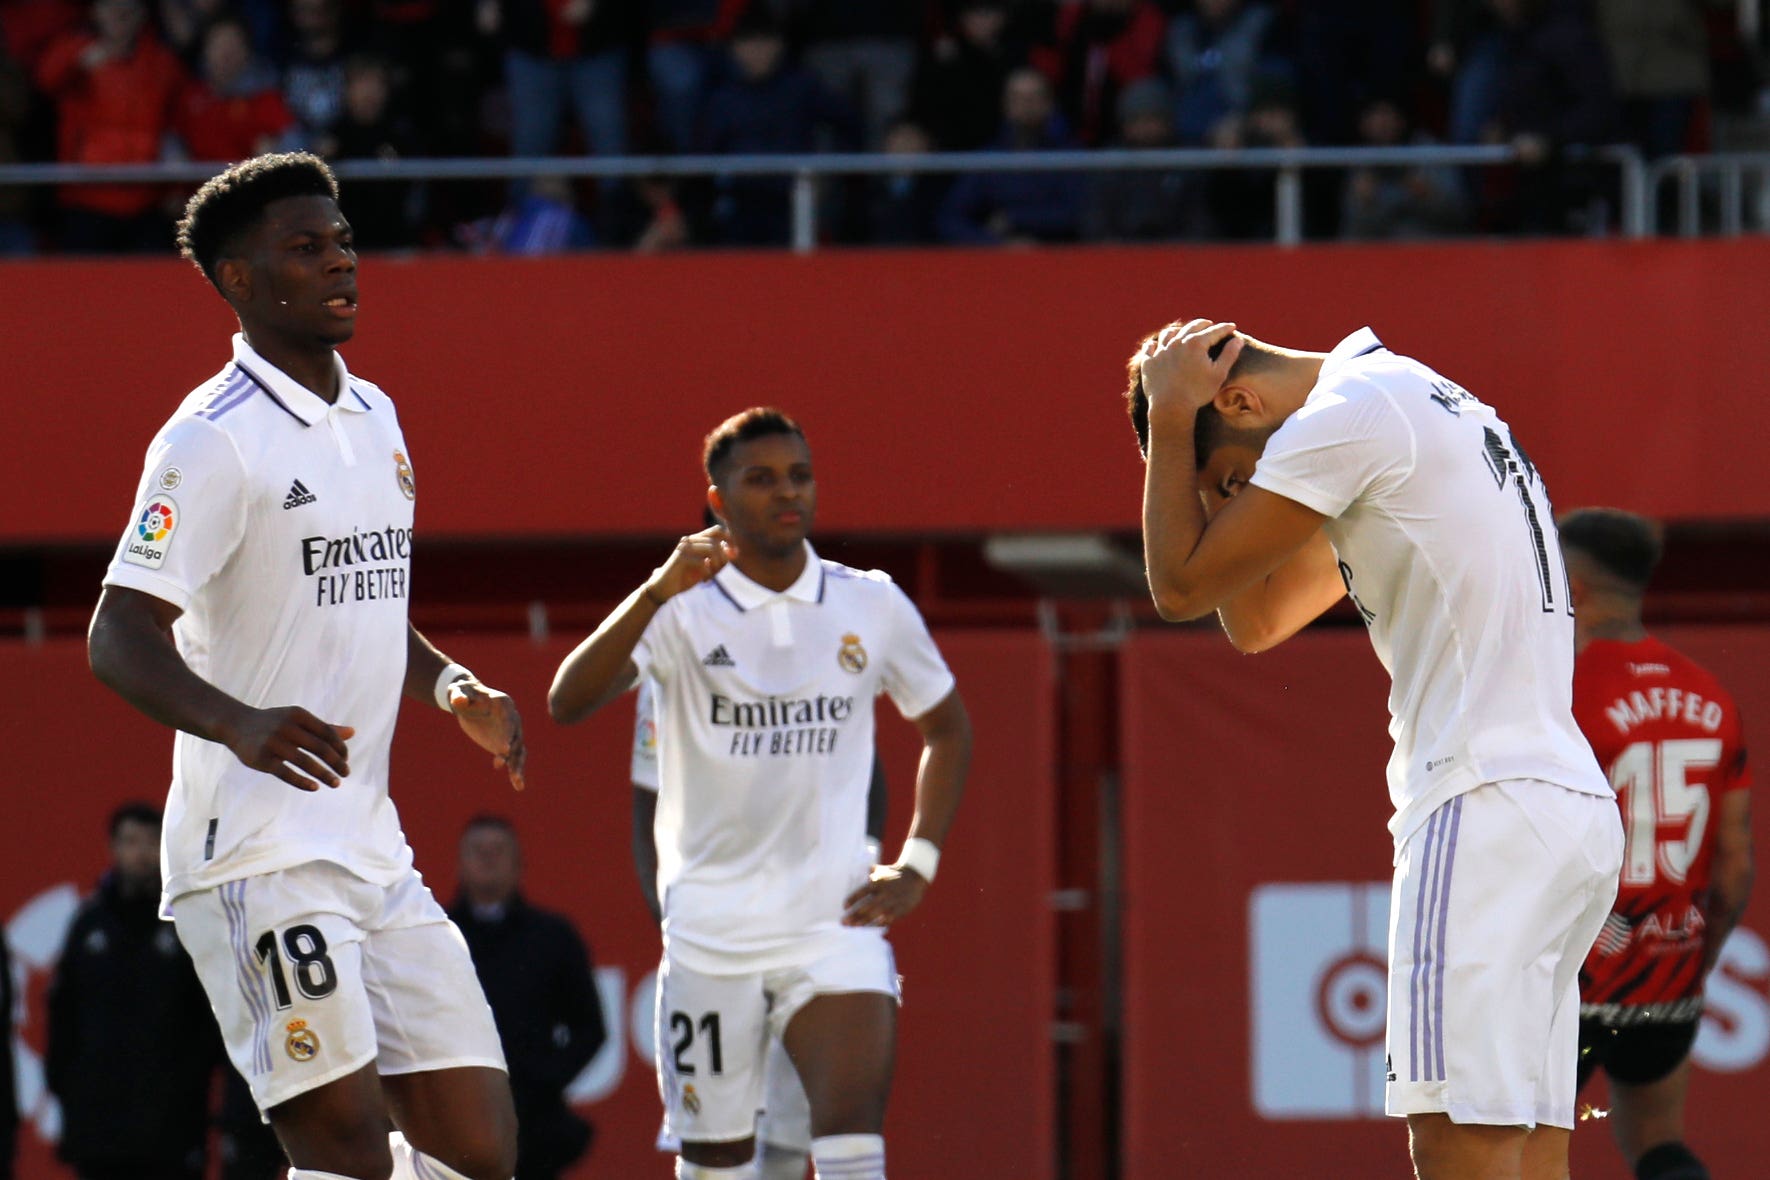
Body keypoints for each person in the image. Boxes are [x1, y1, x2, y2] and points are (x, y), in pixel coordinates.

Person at [86, 152, 527, 1180]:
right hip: (256, 855)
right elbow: (119, 631)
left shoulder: (377, 414)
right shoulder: (210, 440)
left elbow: (366, 597)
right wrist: (237, 719)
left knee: (479, 1149)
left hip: (373, 848)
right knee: (343, 1151)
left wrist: (449, 682)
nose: (341, 262)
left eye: (343, 241)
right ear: (238, 280)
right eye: (306, 247)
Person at [1125, 320, 1623, 1180]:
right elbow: (1257, 615)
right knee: (1525, 1149)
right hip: (1560, 810)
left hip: (1480, 803)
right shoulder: (1410, 399)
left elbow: (1178, 586)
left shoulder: (1348, 417)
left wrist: (1172, 426)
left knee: (1451, 1139)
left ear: (1240, 401)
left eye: (1235, 482)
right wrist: (1194, 453)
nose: (1243, 500)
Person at [549, 407, 972, 1180]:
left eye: (800, 476)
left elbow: (947, 727)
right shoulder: (680, 612)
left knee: (851, 1151)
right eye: (762, 479)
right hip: (713, 934)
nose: (789, 493)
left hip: (832, 922)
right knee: (719, 1164)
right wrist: (654, 590)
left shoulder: (868, 602)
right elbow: (567, 701)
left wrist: (918, 862)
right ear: (717, 500)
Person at [631, 629, 894, 1180]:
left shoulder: (815, 628)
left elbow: (867, 773)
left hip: (813, 926)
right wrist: (679, 924)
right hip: (718, 928)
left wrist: (857, 869)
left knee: (795, 1132)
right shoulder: (675, 652)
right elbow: (648, 799)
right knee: (714, 1144)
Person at [1560, 508, 1755, 1180]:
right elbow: (1733, 862)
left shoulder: (1558, 694)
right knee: (1658, 1144)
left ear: (1571, 588)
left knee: (1511, 1151)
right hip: (1667, 975)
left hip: (1566, 979)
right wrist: (1694, 966)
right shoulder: (1710, 694)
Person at [46, 803, 223, 1180]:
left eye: (150, 842)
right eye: (130, 841)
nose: (140, 853)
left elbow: (210, 1021)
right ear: (113, 849)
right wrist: (69, 1092)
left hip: (173, 1127)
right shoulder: (88, 925)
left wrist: (190, 1089)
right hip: (98, 1128)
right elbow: (63, 1017)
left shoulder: (185, 925)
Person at [450, 817, 606, 1180]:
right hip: (454, 1116)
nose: (488, 860)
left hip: (535, 1125)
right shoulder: (439, 936)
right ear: (460, 863)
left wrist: (542, 1083)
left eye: (498, 851)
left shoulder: (552, 937)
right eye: (478, 851)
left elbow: (590, 1028)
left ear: (519, 864)